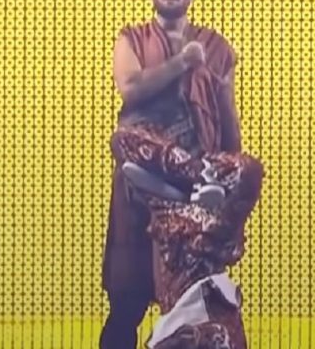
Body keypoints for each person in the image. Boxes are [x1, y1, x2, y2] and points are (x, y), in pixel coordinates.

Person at [100, 0, 242, 349]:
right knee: (126, 299)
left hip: (196, 192)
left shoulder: (216, 46)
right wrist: (182, 62)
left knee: (193, 298)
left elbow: (227, 115)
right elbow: (130, 88)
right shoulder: (132, 38)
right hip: (139, 188)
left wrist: (231, 172)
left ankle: (195, 176)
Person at [111, 124, 263, 348]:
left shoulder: (209, 228)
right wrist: (196, 172)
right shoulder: (173, 212)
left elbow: (249, 172)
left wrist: (205, 181)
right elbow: (123, 140)